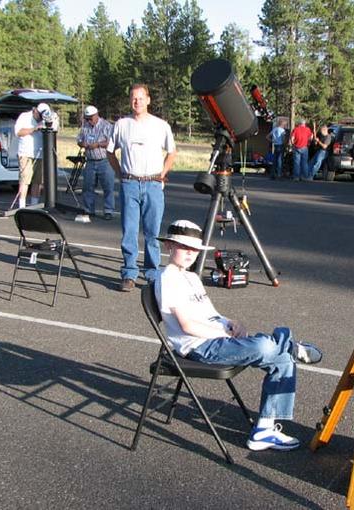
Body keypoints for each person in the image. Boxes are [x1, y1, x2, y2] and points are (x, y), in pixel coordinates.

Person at [155, 219, 323, 451]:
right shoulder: (168, 278)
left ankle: (264, 429)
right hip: (200, 347)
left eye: (194, 249)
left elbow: (211, 314)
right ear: (169, 247)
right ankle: (289, 343)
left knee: (281, 358)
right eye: (185, 248)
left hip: (217, 338)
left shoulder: (192, 277)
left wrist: (231, 323)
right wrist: (224, 333)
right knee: (266, 347)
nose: (190, 253)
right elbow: (187, 326)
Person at [107, 84, 177, 292]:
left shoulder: (161, 125)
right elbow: (110, 152)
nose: (137, 102)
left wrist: (162, 174)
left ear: (148, 100)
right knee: (129, 230)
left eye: (140, 98)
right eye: (133, 98)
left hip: (153, 184)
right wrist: (120, 174)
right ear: (130, 101)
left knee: (152, 233)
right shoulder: (122, 124)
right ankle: (129, 273)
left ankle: (152, 273)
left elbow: (171, 153)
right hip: (130, 182)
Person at [14, 103, 58, 209]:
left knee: (37, 181)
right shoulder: (24, 117)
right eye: (39, 116)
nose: (40, 119)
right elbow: (18, 132)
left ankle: (34, 205)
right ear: (35, 111)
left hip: (40, 154)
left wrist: (52, 122)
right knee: (25, 180)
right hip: (26, 153)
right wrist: (35, 129)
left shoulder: (48, 117)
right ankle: (22, 206)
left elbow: (54, 130)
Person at [77, 105, 115, 220]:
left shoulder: (106, 126)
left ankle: (108, 210)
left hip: (104, 160)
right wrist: (82, 144)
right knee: (88, 186)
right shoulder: (85, 126)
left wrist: (98, 144)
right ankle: (89, 209)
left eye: (91, 118)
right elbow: (79, 139)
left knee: (108, 186)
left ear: (96, 115)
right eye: (87, 118)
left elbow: (111, 142)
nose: (89, 121)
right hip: (90, 160)